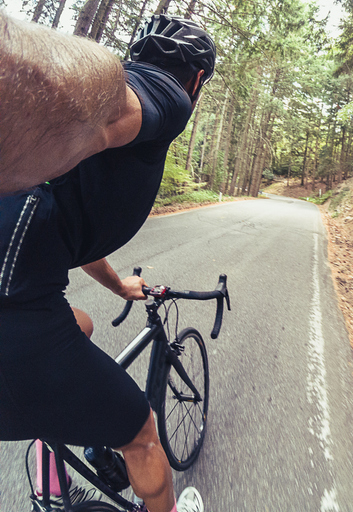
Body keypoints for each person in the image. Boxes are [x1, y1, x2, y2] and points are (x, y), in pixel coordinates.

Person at [0, 12, 216, 512]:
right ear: (198, 80)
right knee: (142, 436)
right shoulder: (164, 92)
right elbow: (99, 100)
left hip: (28, 305)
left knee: (82, 323)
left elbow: (62, 217)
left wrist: (120, 285)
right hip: (17, 325)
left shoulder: (59, 163)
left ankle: (50, 484)